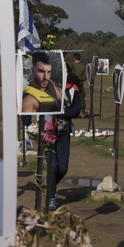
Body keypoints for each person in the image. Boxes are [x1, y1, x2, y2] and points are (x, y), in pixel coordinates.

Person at [44, 73, 83, 210]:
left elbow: (75, 111)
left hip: (63, 133)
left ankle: (50, 184)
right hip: (47, 133)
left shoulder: (73, 89)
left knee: (63, 168)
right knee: (52, 167)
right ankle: (51, 197)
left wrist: (59, 111)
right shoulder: (45, 86)